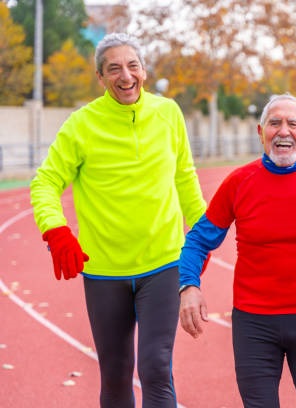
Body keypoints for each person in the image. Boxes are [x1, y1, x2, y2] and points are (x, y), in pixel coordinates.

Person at [30, 32, 207, 408]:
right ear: (101, 78)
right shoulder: (81, 125)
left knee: (157, 367)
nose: (125, 76)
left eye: (132, 66)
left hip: (163, 262)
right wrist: (55, 230)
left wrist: (205, 235)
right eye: (114, 69)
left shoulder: (168, 113)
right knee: (115, 372)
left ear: (143, 71)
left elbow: (185, 179)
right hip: (104, 270)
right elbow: (46, 181)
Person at [178, 93, 296, 408]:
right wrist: (188, 285)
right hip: (253, 324)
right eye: (274, 123)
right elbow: (198, 240)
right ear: (261, 132)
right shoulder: (239, 182)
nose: (283, 131)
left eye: (292, 123)